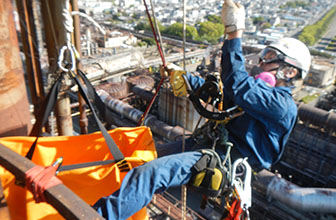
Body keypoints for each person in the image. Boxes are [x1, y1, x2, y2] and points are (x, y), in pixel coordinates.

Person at [93, 0, 311, 219]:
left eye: (271, 58)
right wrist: (182, 78)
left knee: (149, 173)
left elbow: (236, 84)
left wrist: (235, 34)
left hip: (224, 160)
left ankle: (92, 216)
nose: (262, 62)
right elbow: (223, 95)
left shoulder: (281, 105)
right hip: (209, 146)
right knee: (147, 162)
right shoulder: (260, 97)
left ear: (289, 72)